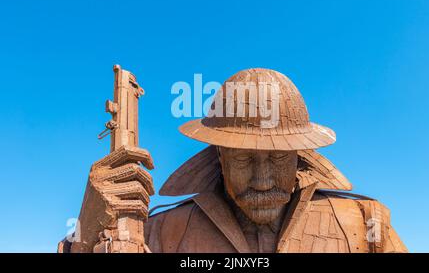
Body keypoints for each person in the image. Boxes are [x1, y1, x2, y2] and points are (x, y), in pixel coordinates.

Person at [59, 68, 407, 253]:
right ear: (219, 159)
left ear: (301, 157)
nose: (262, 179)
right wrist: (87, 234)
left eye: (278, 159)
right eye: (243, 159)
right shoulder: (159, 233)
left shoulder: (365, 226)